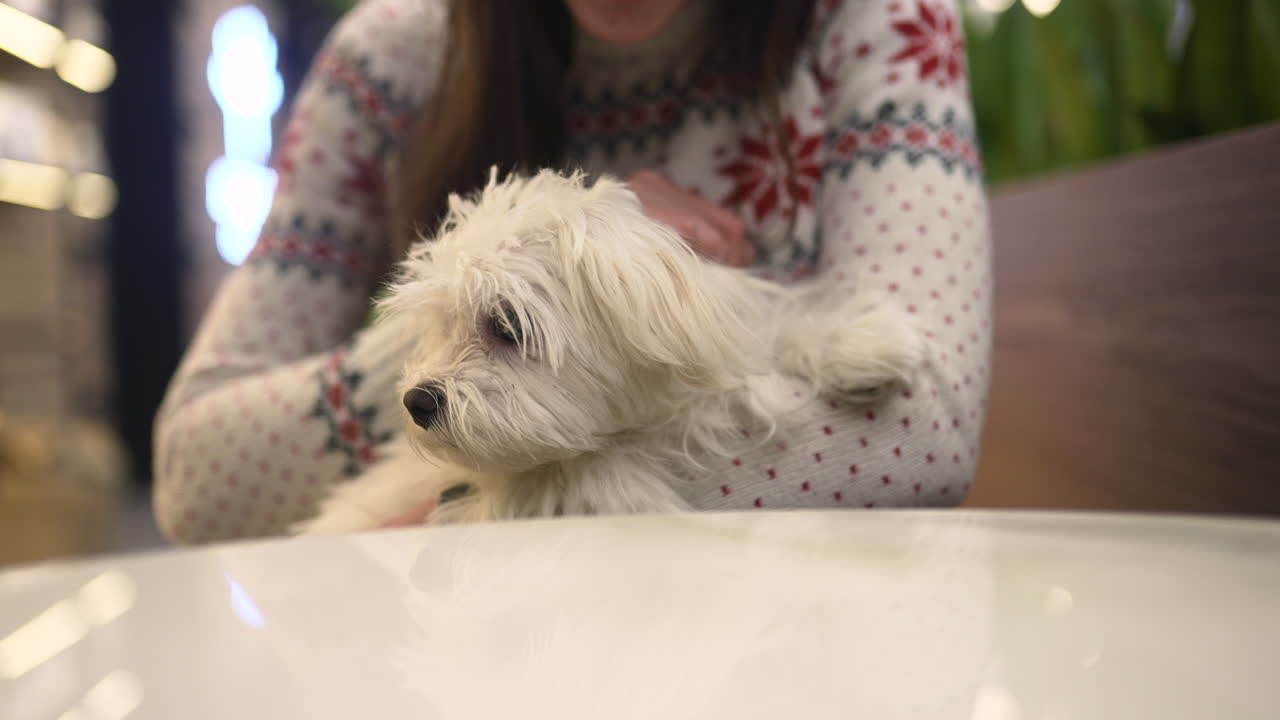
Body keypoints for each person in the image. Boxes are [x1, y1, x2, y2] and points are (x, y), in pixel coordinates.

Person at [152, 0, 993, 544]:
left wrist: (507, 502)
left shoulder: (874, 20)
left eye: (508, 329)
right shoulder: (388, 62)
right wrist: (446, 327)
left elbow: (923, 423)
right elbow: (194, 477)